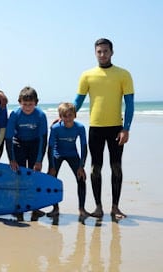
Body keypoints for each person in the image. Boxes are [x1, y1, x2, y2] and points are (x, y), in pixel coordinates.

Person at [74, 38, 134, 220]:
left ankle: (115, 207)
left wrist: (126, 128)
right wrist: (63, 118)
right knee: (95, 168)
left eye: (105, 51)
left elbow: (130, 104)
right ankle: (98, 207)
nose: (102, 54)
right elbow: (78, 101)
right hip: (96, 129)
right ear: (95, 53)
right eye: (99, 51)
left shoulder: (123, 74)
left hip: (116, 128)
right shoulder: (87, 75)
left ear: (112, 52)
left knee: (116, 167)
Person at [5, 86, 48, 221]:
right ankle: (18, 207)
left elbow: (43, 139)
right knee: (20, 176)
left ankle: (35, 207)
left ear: (36, 102)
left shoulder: (40, 115)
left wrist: (39, 160)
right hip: (19, 144)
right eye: (25, 104)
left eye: (30, 104)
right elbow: (8, 138)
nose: (28, 107)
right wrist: (12, 159)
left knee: (34, 175)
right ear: (19, 102)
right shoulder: (15, 115)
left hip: (35, 144)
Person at [47, 102, 89, 219]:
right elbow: (49, 148)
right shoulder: (55, 128)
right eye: (64, 116)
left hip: (72, 154)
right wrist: (51, 166)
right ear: (60, 116)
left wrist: (82, 166)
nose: (68, 118)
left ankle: (82, 209)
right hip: (57, 154)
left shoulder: (80, 128)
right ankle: (55, 208)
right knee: (52, 180)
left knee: (81, 179)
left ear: (75, 115)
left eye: (70, 115)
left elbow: (84, 147)